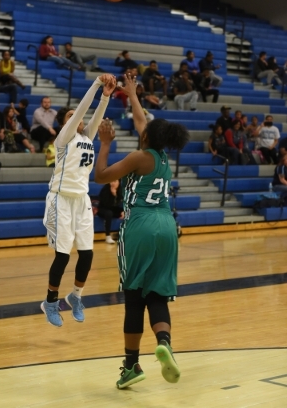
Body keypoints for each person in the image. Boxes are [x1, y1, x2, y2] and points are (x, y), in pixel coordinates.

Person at [95, 74, 189, 389]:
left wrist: (105, 144)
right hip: (167, 225)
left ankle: (132, 365)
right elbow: (140, 121)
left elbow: (101, 177)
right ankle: (164, 342)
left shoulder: (138, 156)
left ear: (146, 137)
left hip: (141, 224)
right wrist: (133, 94)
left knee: (134, 297)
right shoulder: (162, 158)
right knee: (158, 293)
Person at [41, 74, 116, 328]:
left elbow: (95, 114)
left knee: (87, 255)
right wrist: (95, 84)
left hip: (81, 200)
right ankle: (50, 301)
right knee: (62, 256)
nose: (77, 117)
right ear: (66, 124)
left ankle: (76, 296)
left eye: (78, 116)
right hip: (60, 200)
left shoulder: (87, 137)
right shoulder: (63, 140)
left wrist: (106, 94)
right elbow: (84, 108)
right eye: (71, 116)